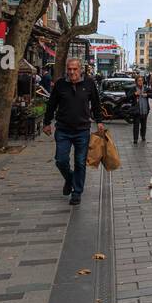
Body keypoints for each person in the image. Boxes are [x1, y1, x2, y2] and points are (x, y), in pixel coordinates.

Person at [43, 57, 103, 206]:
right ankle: (70, 179)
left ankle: (77, 192)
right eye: (69, 69)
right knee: (61, 160)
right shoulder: (60, 85)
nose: (71, 72)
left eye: (74, 69)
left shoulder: (89, 83)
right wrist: (46, 123)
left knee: (80, 162)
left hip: (82, 130)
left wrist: (100, 121)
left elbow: (96, 103)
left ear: (80, 69)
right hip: (63, 129)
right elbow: (51, 104)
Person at [130, 74, 151, 144]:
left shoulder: (146, 88)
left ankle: (143, 136)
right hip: (137, 110)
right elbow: (128, 96)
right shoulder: (133, 89)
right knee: (136, 125)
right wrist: (134, 94)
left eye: (141, 80)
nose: (140, 82)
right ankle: (135, 139)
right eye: (139, 81)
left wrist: (147, 95)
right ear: (136, 82)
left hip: (145, 110)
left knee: (143, 125)